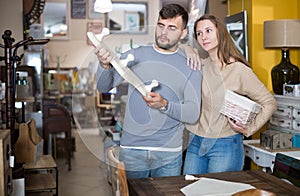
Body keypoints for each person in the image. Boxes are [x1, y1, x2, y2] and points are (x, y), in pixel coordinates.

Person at [94, 4, 202, 179]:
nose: (163, 32)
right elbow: (103, 87)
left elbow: (192, 113)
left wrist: (165, 105)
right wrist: (104, 66)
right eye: (160, 25)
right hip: (132, 149)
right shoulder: (135, 55)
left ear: (183, 33)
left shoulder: (191, 65)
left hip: (169, 152)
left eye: (172, 28)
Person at [183, 14, 277, 174]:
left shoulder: (238, 70)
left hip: (225, 144)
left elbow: (269, 102)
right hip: (195, 141)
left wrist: (249, 129)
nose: (203, 36)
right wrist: (187, 48)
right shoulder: (199, 65)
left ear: (220, 32)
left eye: (208, 30)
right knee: (187, 190)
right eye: (199, 33)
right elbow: (168, 48)